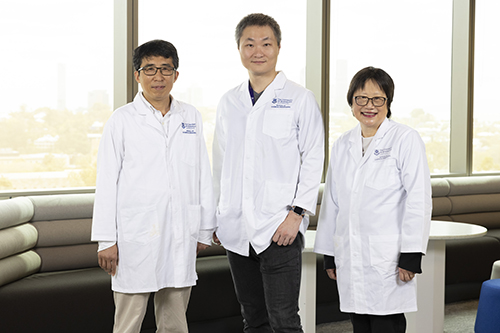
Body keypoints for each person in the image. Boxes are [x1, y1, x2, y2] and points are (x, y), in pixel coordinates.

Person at [91, 39, 216, 333]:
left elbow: (202, 175)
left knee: (175, 321)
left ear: (176, 74)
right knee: (128, 323)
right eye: (150, 69)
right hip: (136, 236)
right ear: (137, 75)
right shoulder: (121, 121)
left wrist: (203, 229)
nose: (158, 77)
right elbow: (106, 181)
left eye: (165, 69)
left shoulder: (191, 117)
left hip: (179, 233)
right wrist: (106, 240)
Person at [212, 13, 324, 332]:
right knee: (253, 318)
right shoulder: (229, 102)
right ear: (239, 49)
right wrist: (219, 215)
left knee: (284, 319)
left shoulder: (300, 98)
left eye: (266, 43)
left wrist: (297, 214)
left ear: (278, 48)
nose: (257, 50)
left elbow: (314, 158)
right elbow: (219, 164)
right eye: (249, 43)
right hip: (236, 227)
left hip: (280, 227)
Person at [314, 66, 432, 333]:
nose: (369, 106)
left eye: (377, 98)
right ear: (352, 102)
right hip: (351, 254)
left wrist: (412, 254)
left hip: (387, 256)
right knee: (360, 322)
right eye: (361, 98)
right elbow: (332, 202)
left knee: (385, 323)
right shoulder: (343, 143)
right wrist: (329, 254)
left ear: (388, 102)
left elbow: (418, 199)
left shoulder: (405, 139)